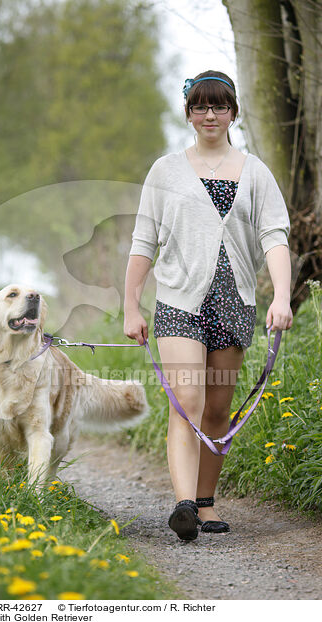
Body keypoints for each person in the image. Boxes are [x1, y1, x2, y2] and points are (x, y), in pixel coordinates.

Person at [123, 70, 293, 542]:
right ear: (189, 113)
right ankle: (182, 506)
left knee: (218, 410)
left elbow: (274, 237)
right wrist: (131, 306)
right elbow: (143, 241)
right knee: (189, 401)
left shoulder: (255, 171)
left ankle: (204, 501)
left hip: (234, 301)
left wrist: (281, 296)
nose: (210, 114)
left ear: (233, 112)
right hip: (179, 300)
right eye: (200, 106)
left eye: (219, 106)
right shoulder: (166, 170)